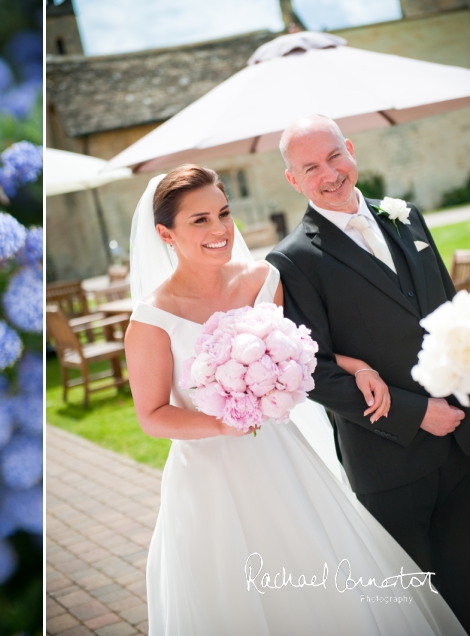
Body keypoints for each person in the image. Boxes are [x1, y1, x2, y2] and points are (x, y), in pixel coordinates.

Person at [124, 163, 464, 634]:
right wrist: (223, 425)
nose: (220, 229)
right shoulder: (151, 320)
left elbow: (301, 354)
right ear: (165, 233)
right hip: (210, 478)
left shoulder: (263, 279)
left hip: (282, 456)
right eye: (199, 220)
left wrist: (357, 366)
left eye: (223, 213)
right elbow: (152, 416)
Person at [266, 114, 470, 630]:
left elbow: (447, 312)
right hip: (390, 462)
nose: (329, 173)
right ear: (294, 180)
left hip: (463, 442)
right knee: (418, 608)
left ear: (351, 150)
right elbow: (313, 372)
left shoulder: (407, 216)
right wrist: (415, 413)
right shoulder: (291, 261)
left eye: (335, 156)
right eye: (311, 167)